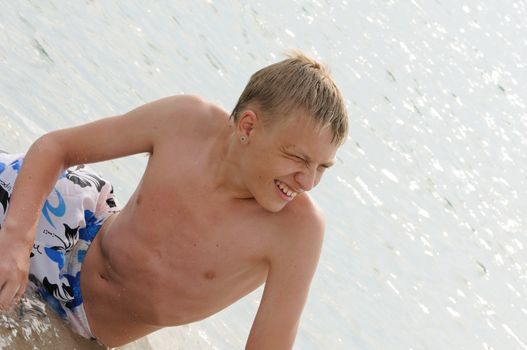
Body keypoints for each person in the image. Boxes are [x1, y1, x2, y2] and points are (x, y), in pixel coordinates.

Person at [0, 52, 348, 349]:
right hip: (57, 217)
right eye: (298, 159)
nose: (308, 181)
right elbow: (56, 148)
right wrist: (16, 241)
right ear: (248, 127)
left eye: (322, 167)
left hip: (87, 327)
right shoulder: (186, 121)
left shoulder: (298, 231)